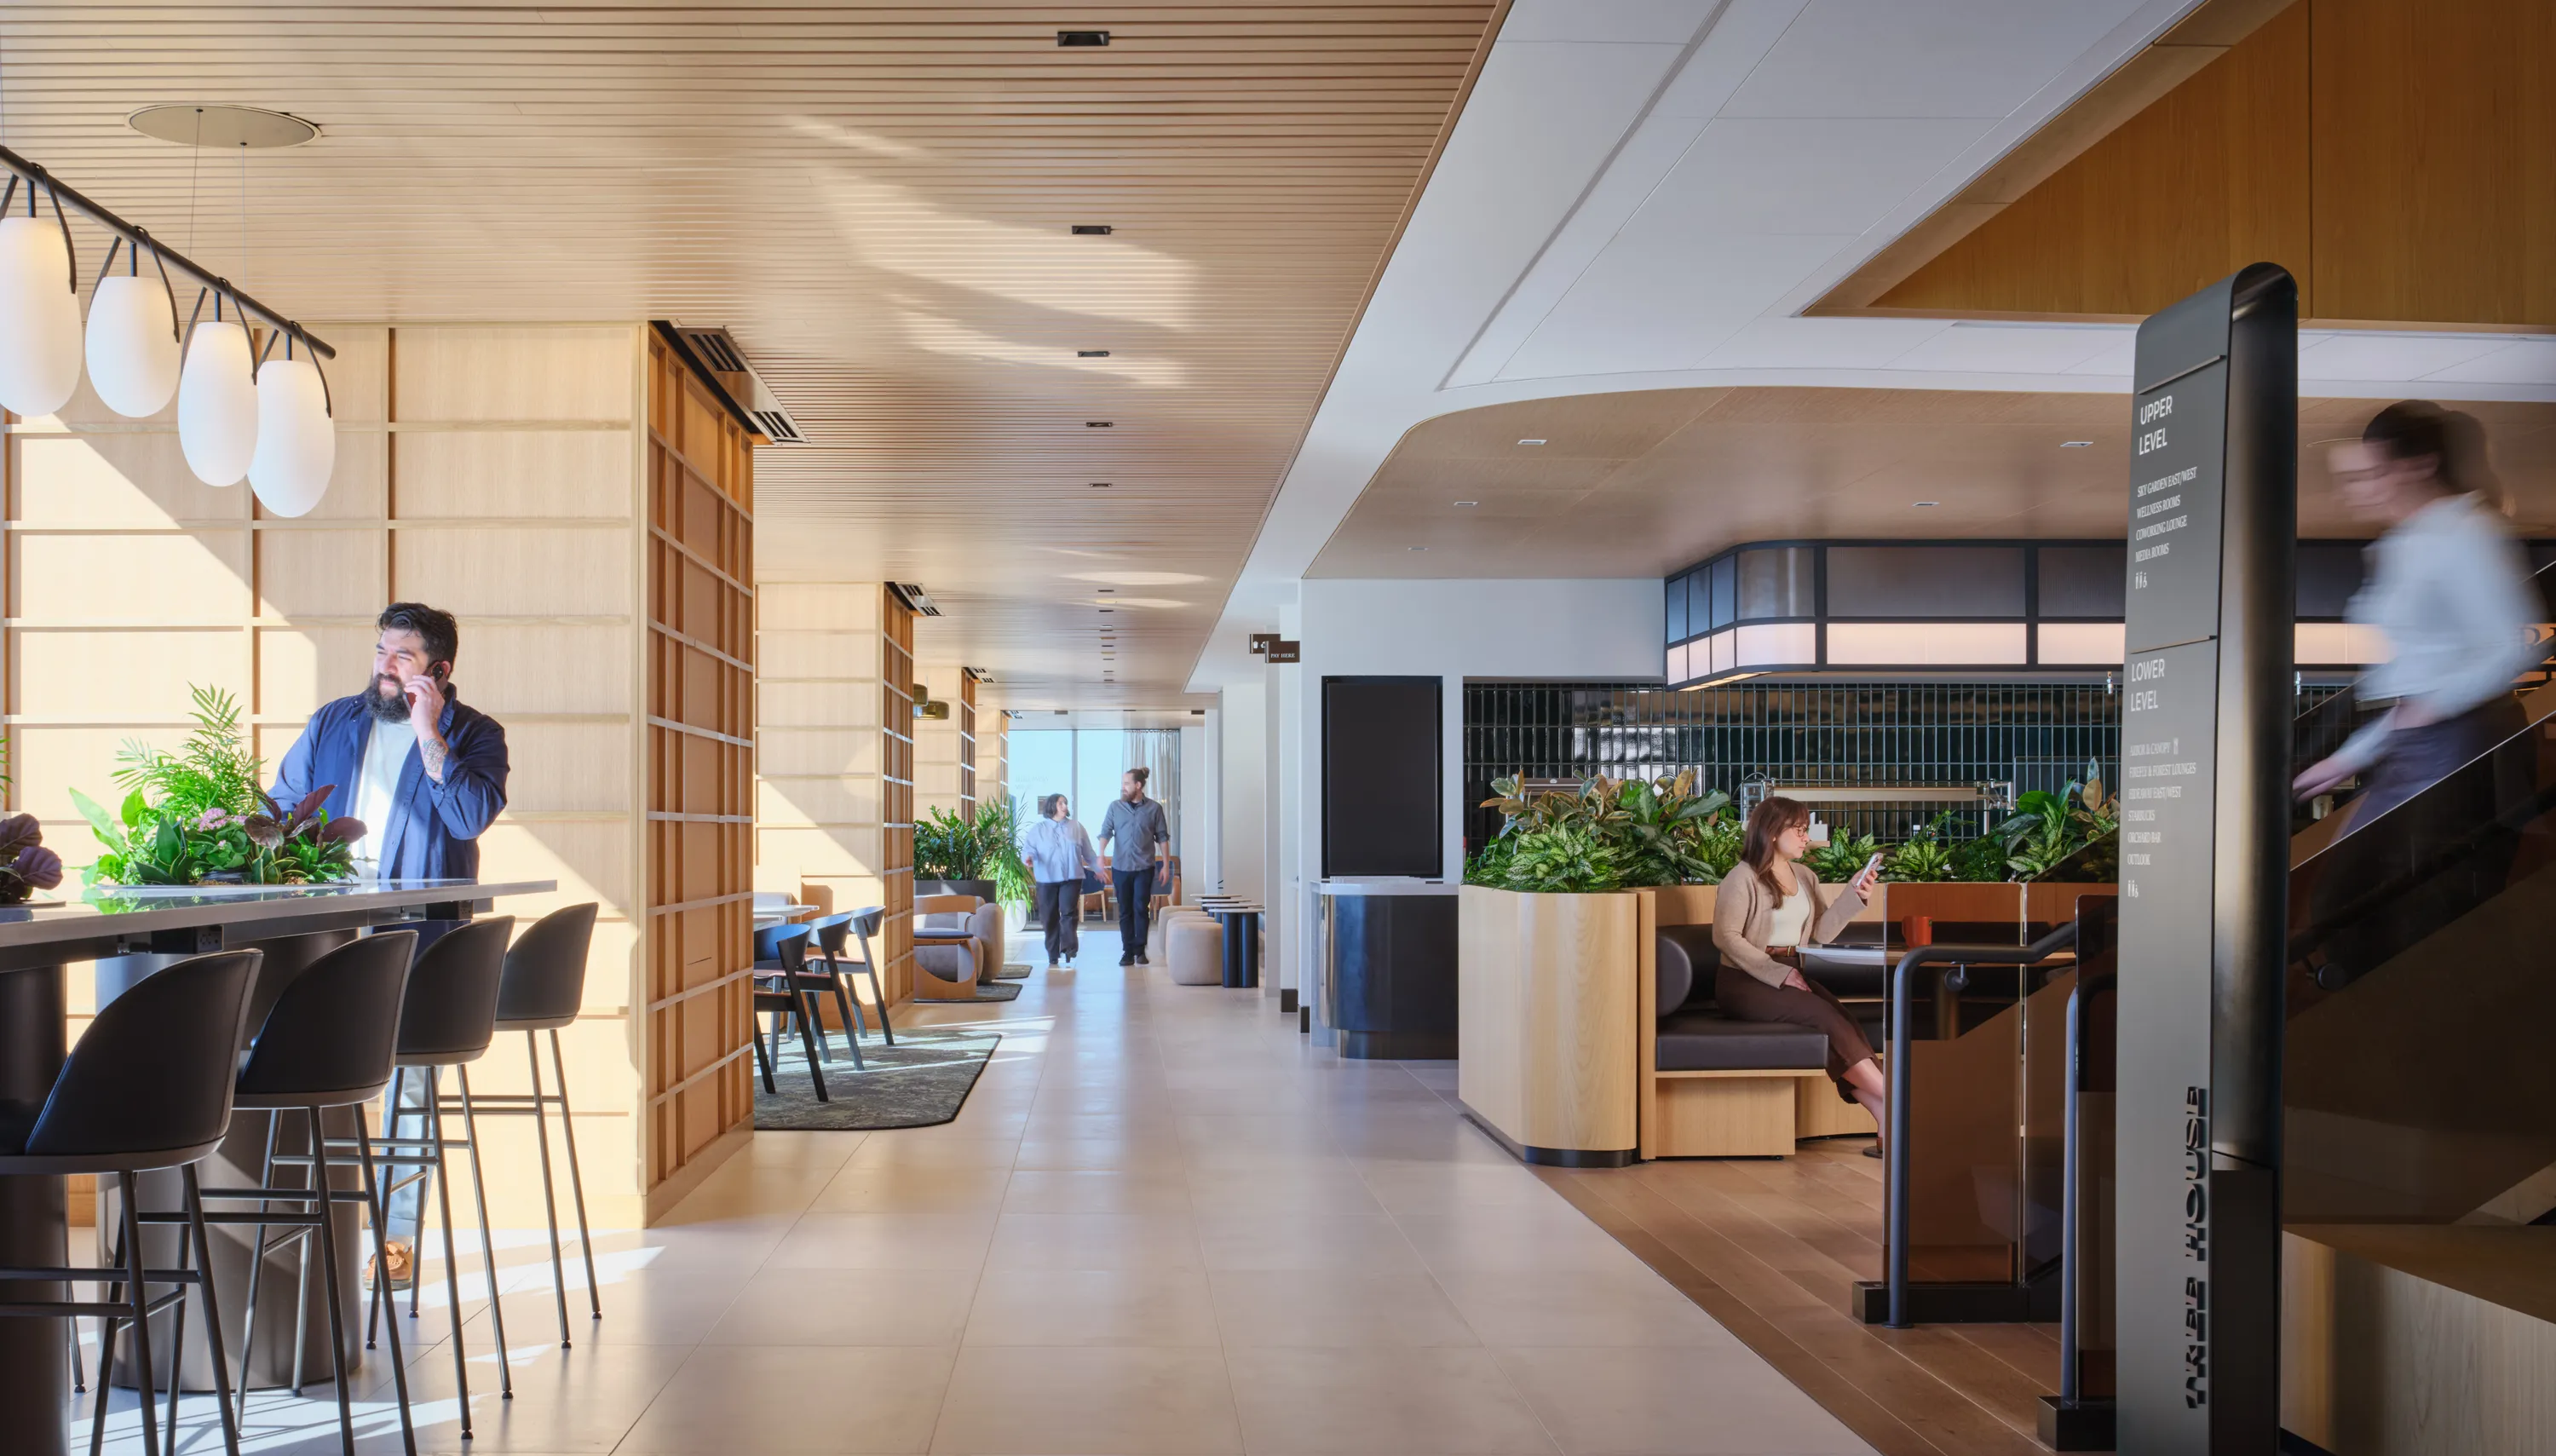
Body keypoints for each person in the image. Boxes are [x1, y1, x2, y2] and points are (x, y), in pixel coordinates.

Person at [271, 601, 510, 1288]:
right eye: (381, 651)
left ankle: (395, 1240)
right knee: (307, 1066)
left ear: (438, 668)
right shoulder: (334, 723)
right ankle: (307, 1231)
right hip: (327, 929)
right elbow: (284, 811)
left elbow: (467, 816)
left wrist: (428, 730)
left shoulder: (475, 735)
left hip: (420, 939)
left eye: (401, 657)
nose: (384, 667)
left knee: (409, 1083)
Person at [2293, 401, 2543, 826]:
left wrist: (2431, 708)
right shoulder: (2402, 545)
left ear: (2421, 466)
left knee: (2368, 887)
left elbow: (2512, 648)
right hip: (2415, 743)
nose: (2355, 490)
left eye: (2373, 474)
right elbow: (2413, 679)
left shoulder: (2467, 531)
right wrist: (2351, 755)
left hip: (2457, 741)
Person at [1711, 796, 1889, 1155]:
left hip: (1791, 973)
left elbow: (1821, 933)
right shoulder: (1741, 877)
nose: (1807, 837)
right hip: (1744, 981)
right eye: (1800, 830)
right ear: (1773, 833)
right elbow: (1725, 937)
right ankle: (1896, 1099)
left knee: (1842, 1019)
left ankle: (1887, 1120)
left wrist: (1854, 896)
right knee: (1822, 1016)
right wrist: (1776, 973)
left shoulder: (1805, 876)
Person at [1096, 767, 1171, 967]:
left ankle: (1140, 951)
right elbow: (1105, 832)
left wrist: (1165, 865)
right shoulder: (1115, 807)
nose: (1123, 788)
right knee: (1125, 911)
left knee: (1140, 908)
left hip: (1144, 867)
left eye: (1127, 784)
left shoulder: (1154, 809)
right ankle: (1127, 952)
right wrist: (1101, 855)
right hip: (1121, 868)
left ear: (1138, 785)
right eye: (1122, 784)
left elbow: (1162, 837)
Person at [1022, 792, 1102, 970]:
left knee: (1068, 912)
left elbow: (1088, 852)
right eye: (1060, 803)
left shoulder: (1076, 827)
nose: (1065, 806)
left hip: (1071, 878)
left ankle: (1069, 948)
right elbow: (1029, 849)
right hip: (1046, 879)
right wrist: (1028, 858)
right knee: (1049, 917)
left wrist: (1098, 869)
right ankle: (1053, 954)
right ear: (1052, 806)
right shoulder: (1039, 829)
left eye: (1065, 803)